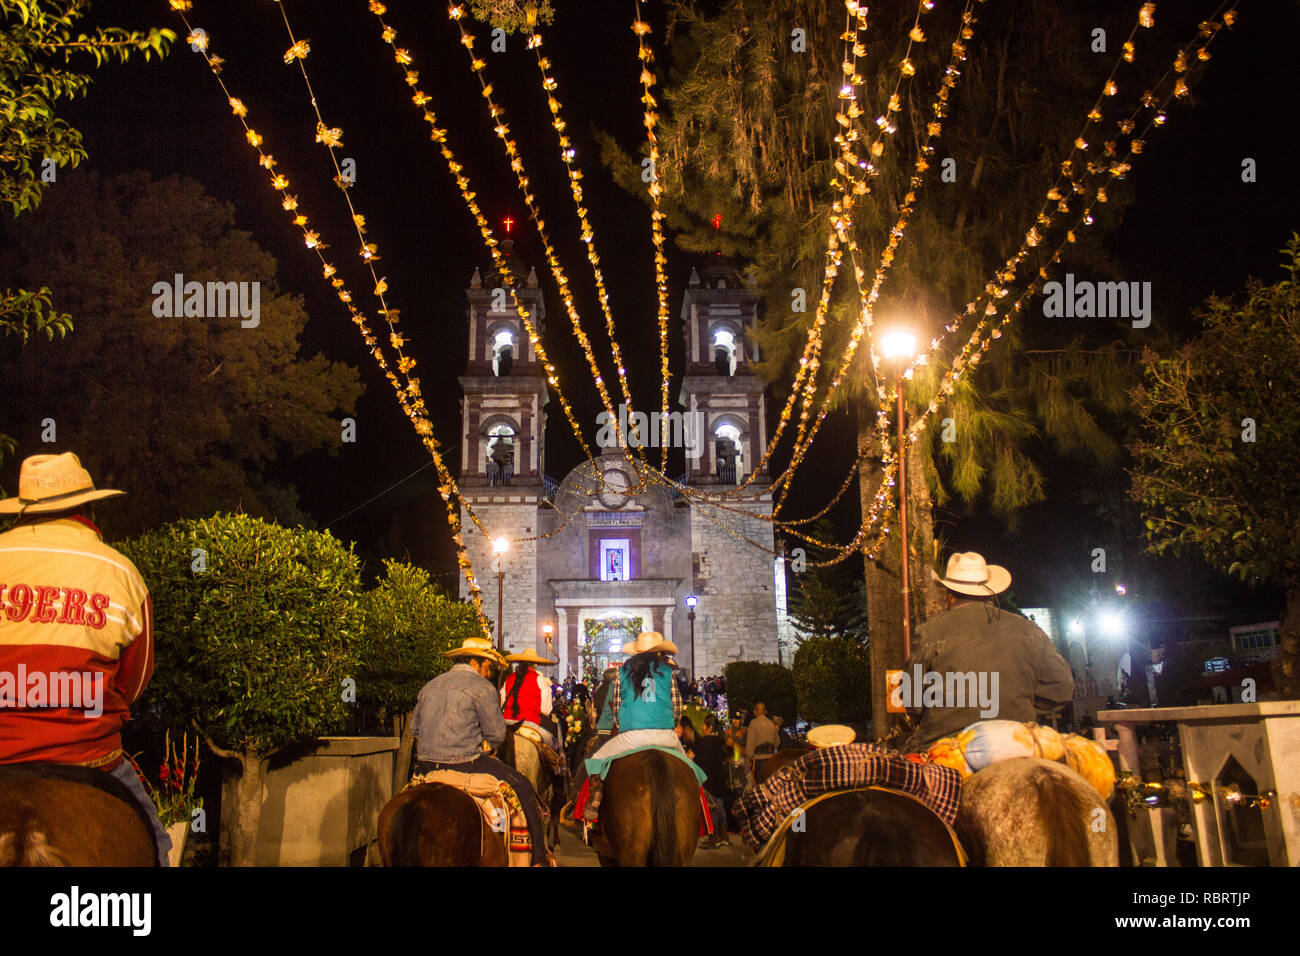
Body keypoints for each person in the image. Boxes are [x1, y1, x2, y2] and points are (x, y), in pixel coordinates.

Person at [0, 453, 171, 865]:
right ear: (89, 507)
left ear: (23, 510)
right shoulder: (120, 572)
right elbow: (132, 683)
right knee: (159, 847)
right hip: (89, 757)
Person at [902, 551, 1075, 753]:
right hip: (1018, 743)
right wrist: (1022, 709)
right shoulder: (1029, 630)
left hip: (948, 748)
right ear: (990, 591)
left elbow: (912, 702)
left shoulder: (929, 633)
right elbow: (1061, 689)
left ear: (949, 593)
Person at [410, 636, 551, 865]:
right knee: (524, 787)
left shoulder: (430, 685)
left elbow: (413, 728)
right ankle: (538, 859)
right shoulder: (482, 687)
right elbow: (496, 734)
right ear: (475, 663)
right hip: (466, 762)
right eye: (487, 667)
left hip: (425, 764)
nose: (488, 673)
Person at [582, 632, 688, 822]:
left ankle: (596, 794)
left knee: (595, 760)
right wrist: (669, 726)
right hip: (665, 735)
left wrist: (626, 725)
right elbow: (677, 707)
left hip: (632, 736)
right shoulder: (667, 672)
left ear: (636, 652)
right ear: (658, 652)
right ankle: (705, 802)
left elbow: (616, 707)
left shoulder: (622, 673)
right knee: (690, 769)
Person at [500, 648, 558, 749]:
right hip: (530, 724)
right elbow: (545, 710)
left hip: (507, 725)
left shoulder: (508, 679)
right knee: (554, 745)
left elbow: (502, 704)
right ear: (535, 664)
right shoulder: (539, 679)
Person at [692, 715, 731, 847]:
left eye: (704, 725)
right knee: (719, 805)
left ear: (709, 727)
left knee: (712, 807)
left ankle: (713, 836)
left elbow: (700, 761)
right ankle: (723, 835)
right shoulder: (719, 741)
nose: (702, 728)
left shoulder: (706, 742)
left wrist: (692, 757)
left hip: (709, 779)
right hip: (719, 778)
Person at [745, 701, 780, 773]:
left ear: (755, 711)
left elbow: (750, 743)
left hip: (759, 759)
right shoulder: (772, 724)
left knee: (760, 781)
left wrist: (749, 758)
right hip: (771, 758)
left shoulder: (753, 723)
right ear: (765, 712)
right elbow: (777, 743)